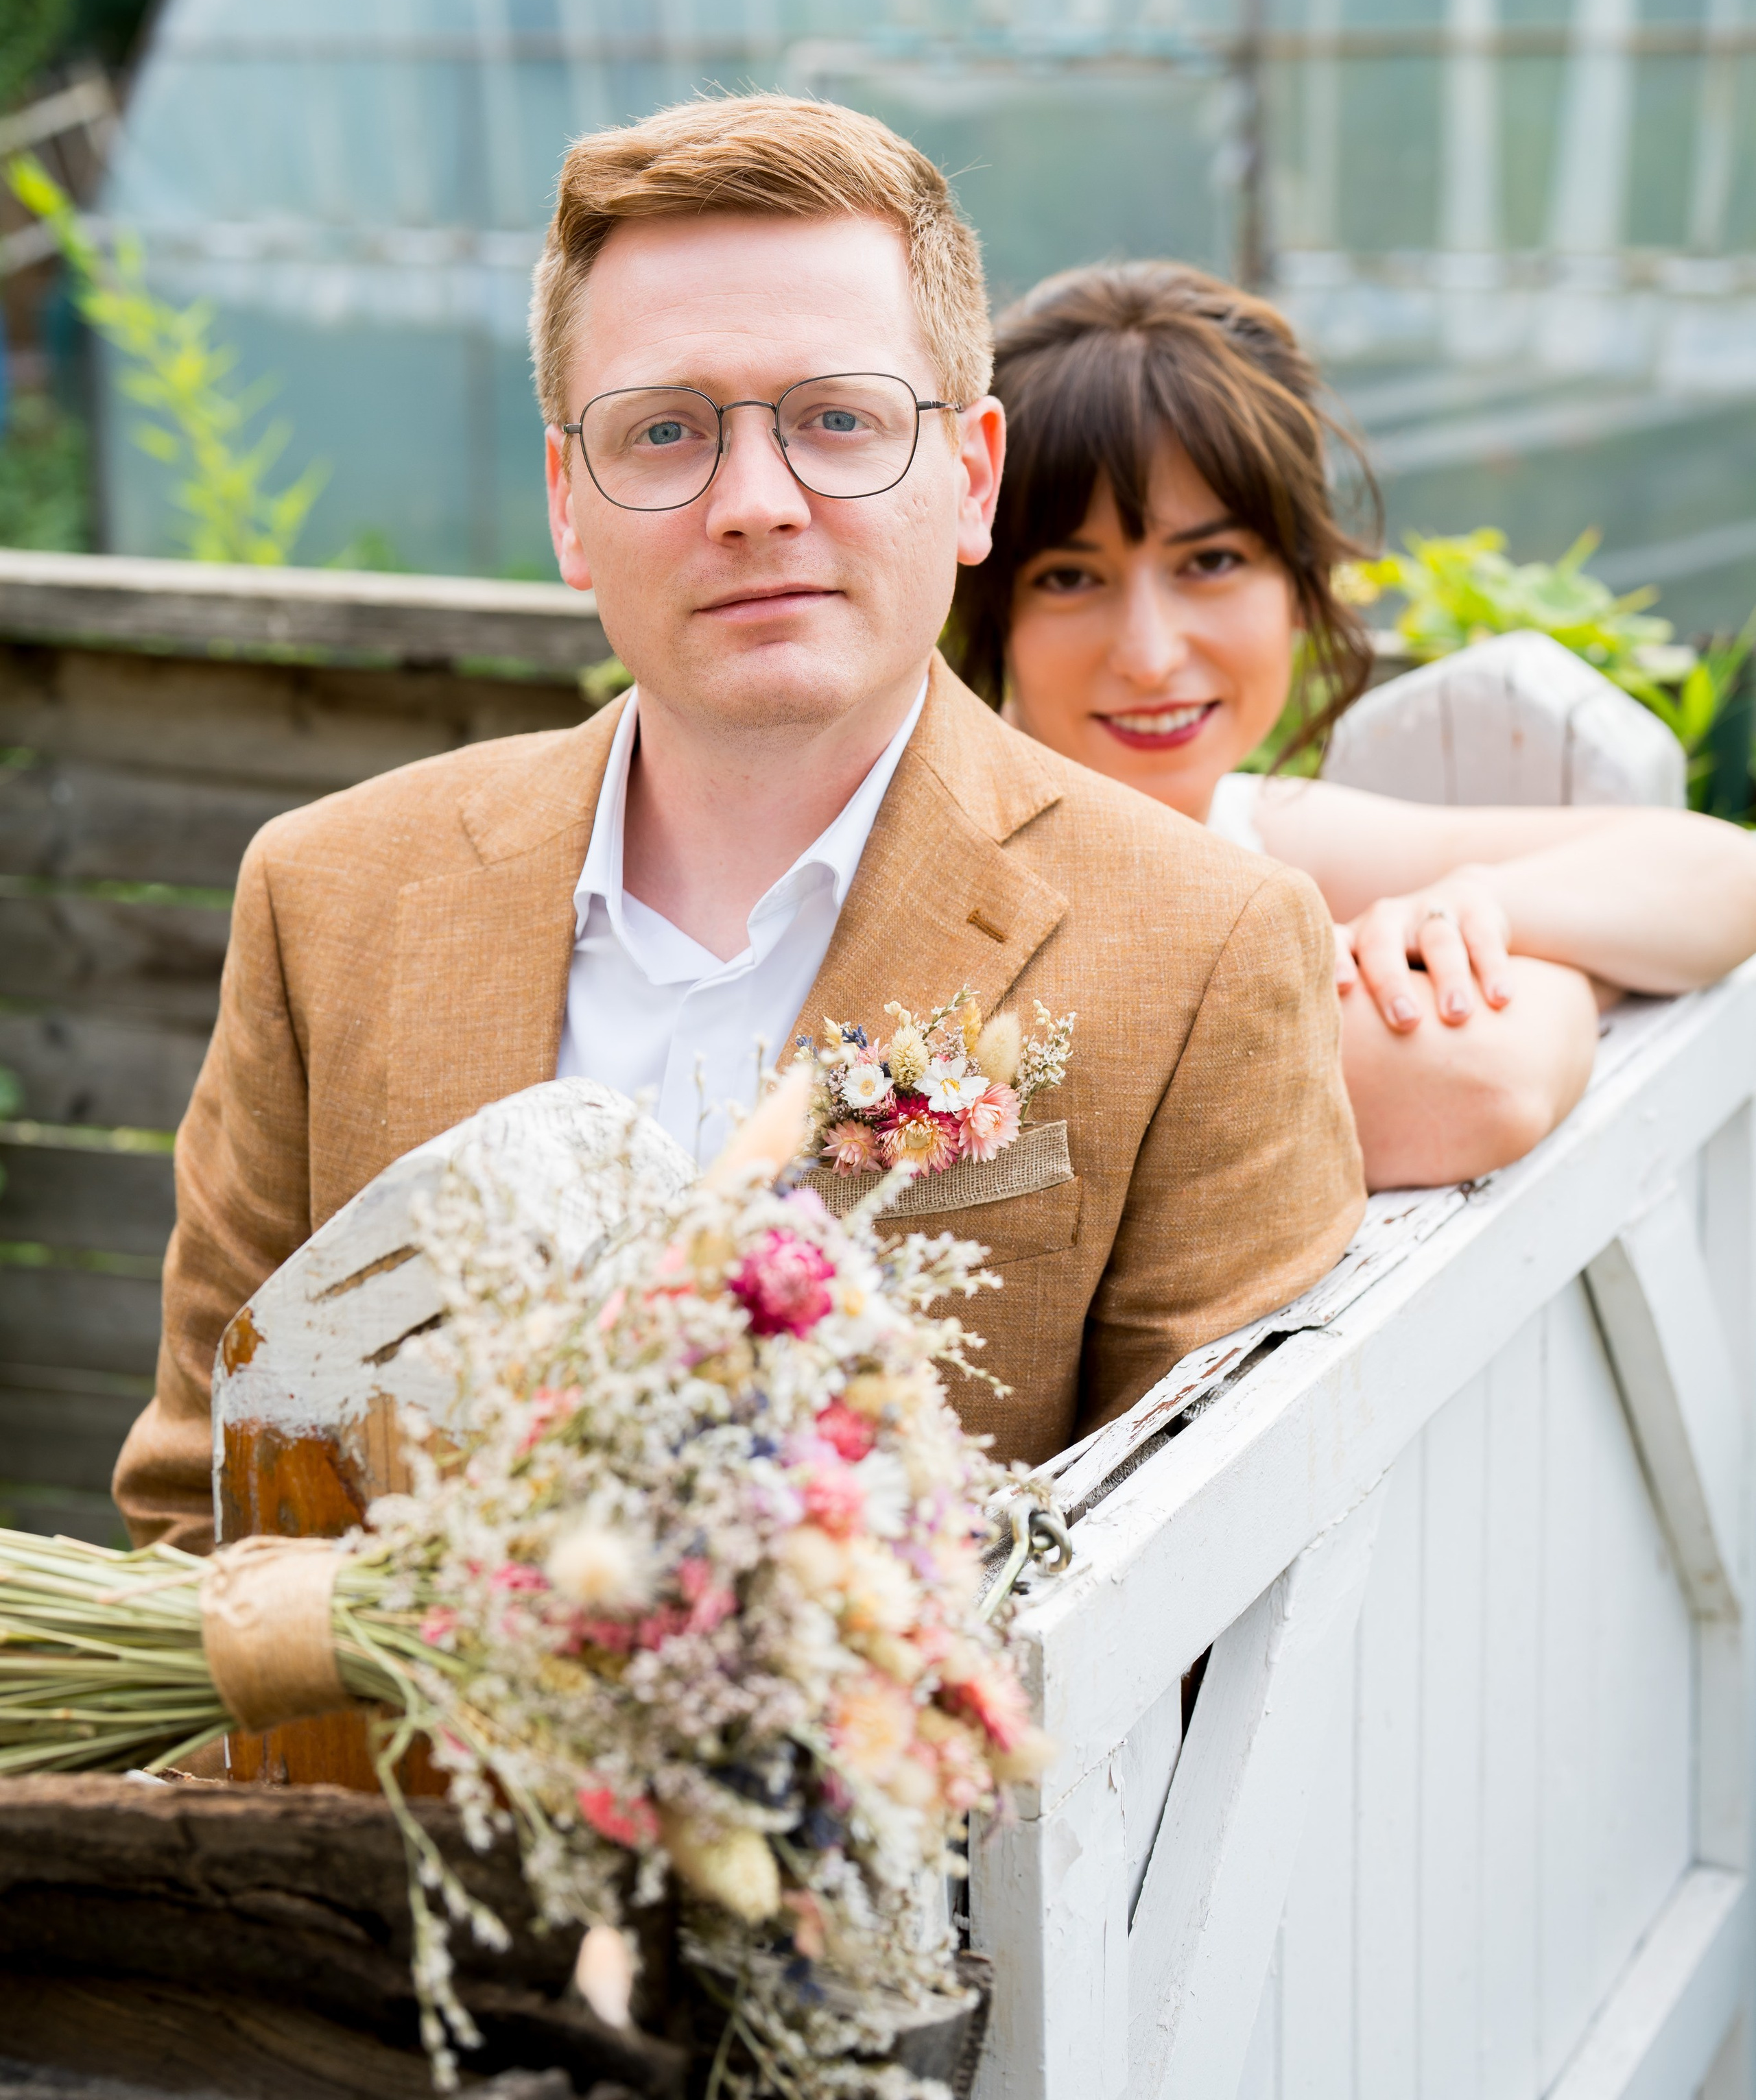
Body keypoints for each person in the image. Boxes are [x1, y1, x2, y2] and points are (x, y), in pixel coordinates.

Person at [114, 99, 1364, 1550]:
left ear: (967, 477)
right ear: (567, 504)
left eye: (837, 419)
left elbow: (1207, 1593)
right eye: (664, 432)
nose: (755, 504)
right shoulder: (328, 898)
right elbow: (195, 1511)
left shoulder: (1203, 945)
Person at [951, 259, 1756, 1193]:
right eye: (1069, 576)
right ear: (993, 601)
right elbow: (1479, 1084)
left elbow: (1721, 871)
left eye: (1209, 561)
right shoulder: (977, 862)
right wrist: (1561, 966)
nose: (1149, 654)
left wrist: (1470, 912)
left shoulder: (1236, 825)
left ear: (1301, 586)